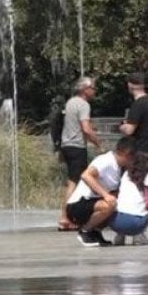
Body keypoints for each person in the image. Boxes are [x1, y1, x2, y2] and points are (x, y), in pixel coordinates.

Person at [66, 136, 136, 247]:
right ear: (125, 153)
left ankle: (95, 232)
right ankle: (85, 231)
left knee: (119, 204)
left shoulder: (118, 168)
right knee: (110, 204)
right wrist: (105, 195)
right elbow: (86, 175)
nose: (132, 161)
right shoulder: (106, 161)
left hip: (93, 203)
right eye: (132, 157)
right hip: (78, 205)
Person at [58, 77, 103, 231]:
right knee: (74, 182)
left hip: (66, 145)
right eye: (93, 88)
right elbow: (86, 129)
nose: (95, 91)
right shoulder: (84, 105)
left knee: (75, 181)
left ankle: (72, 216)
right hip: (77, 147)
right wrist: (98, 144)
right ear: (85, 89)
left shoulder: (71, 102)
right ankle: (65, 218)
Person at [119, 73, 148, 159]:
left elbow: (129, 130)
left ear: (130, 85)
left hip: (140, 151)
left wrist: (122, 126)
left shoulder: (138, 104)